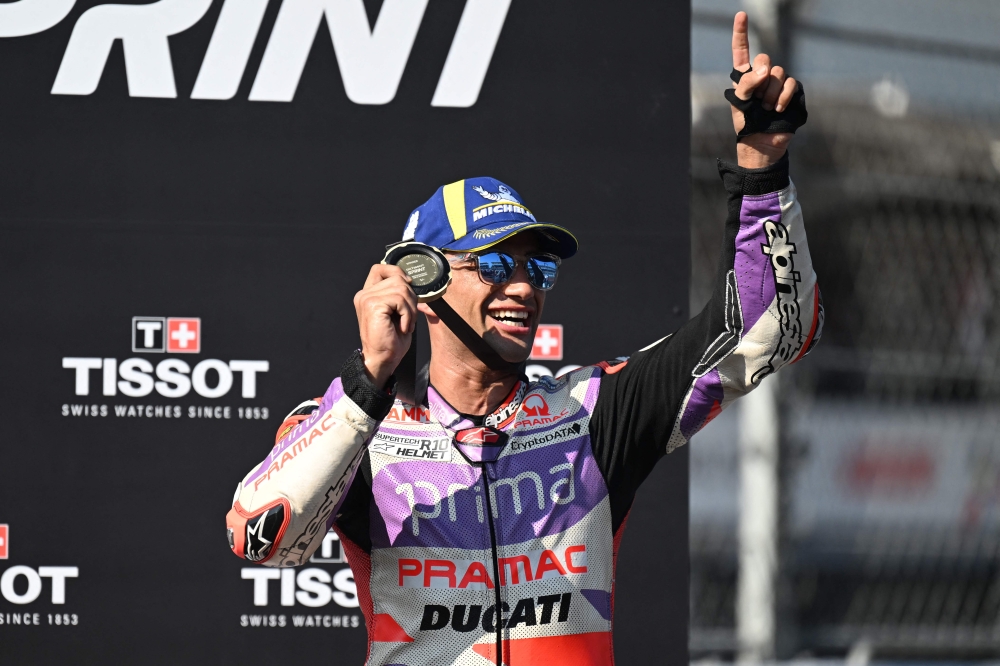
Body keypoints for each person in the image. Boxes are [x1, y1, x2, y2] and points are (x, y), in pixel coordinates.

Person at [225, 12, 822, 665]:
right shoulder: (357, 428)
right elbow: (261, 536)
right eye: (492, 265)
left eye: (537, 269)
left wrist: (761, 171)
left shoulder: (592, 414)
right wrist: (368, 381)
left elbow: (767, 329)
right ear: (423, 281)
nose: (522, 288)